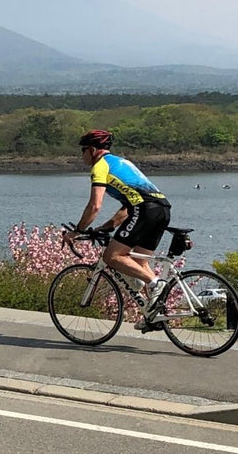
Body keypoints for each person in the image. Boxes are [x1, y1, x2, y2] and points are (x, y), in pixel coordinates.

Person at [63, 129, 171, 322]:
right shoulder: (123, 162)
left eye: (83, 150)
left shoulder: (100, 167)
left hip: (145, 210)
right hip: (161, 209)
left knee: (112, 256)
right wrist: (107, 226)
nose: (82, 155)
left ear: (93, 149)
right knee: (139, 263)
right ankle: (155, 316)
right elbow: (129, 206)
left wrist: (77, 230)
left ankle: (155, 283)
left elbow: (95, 205)